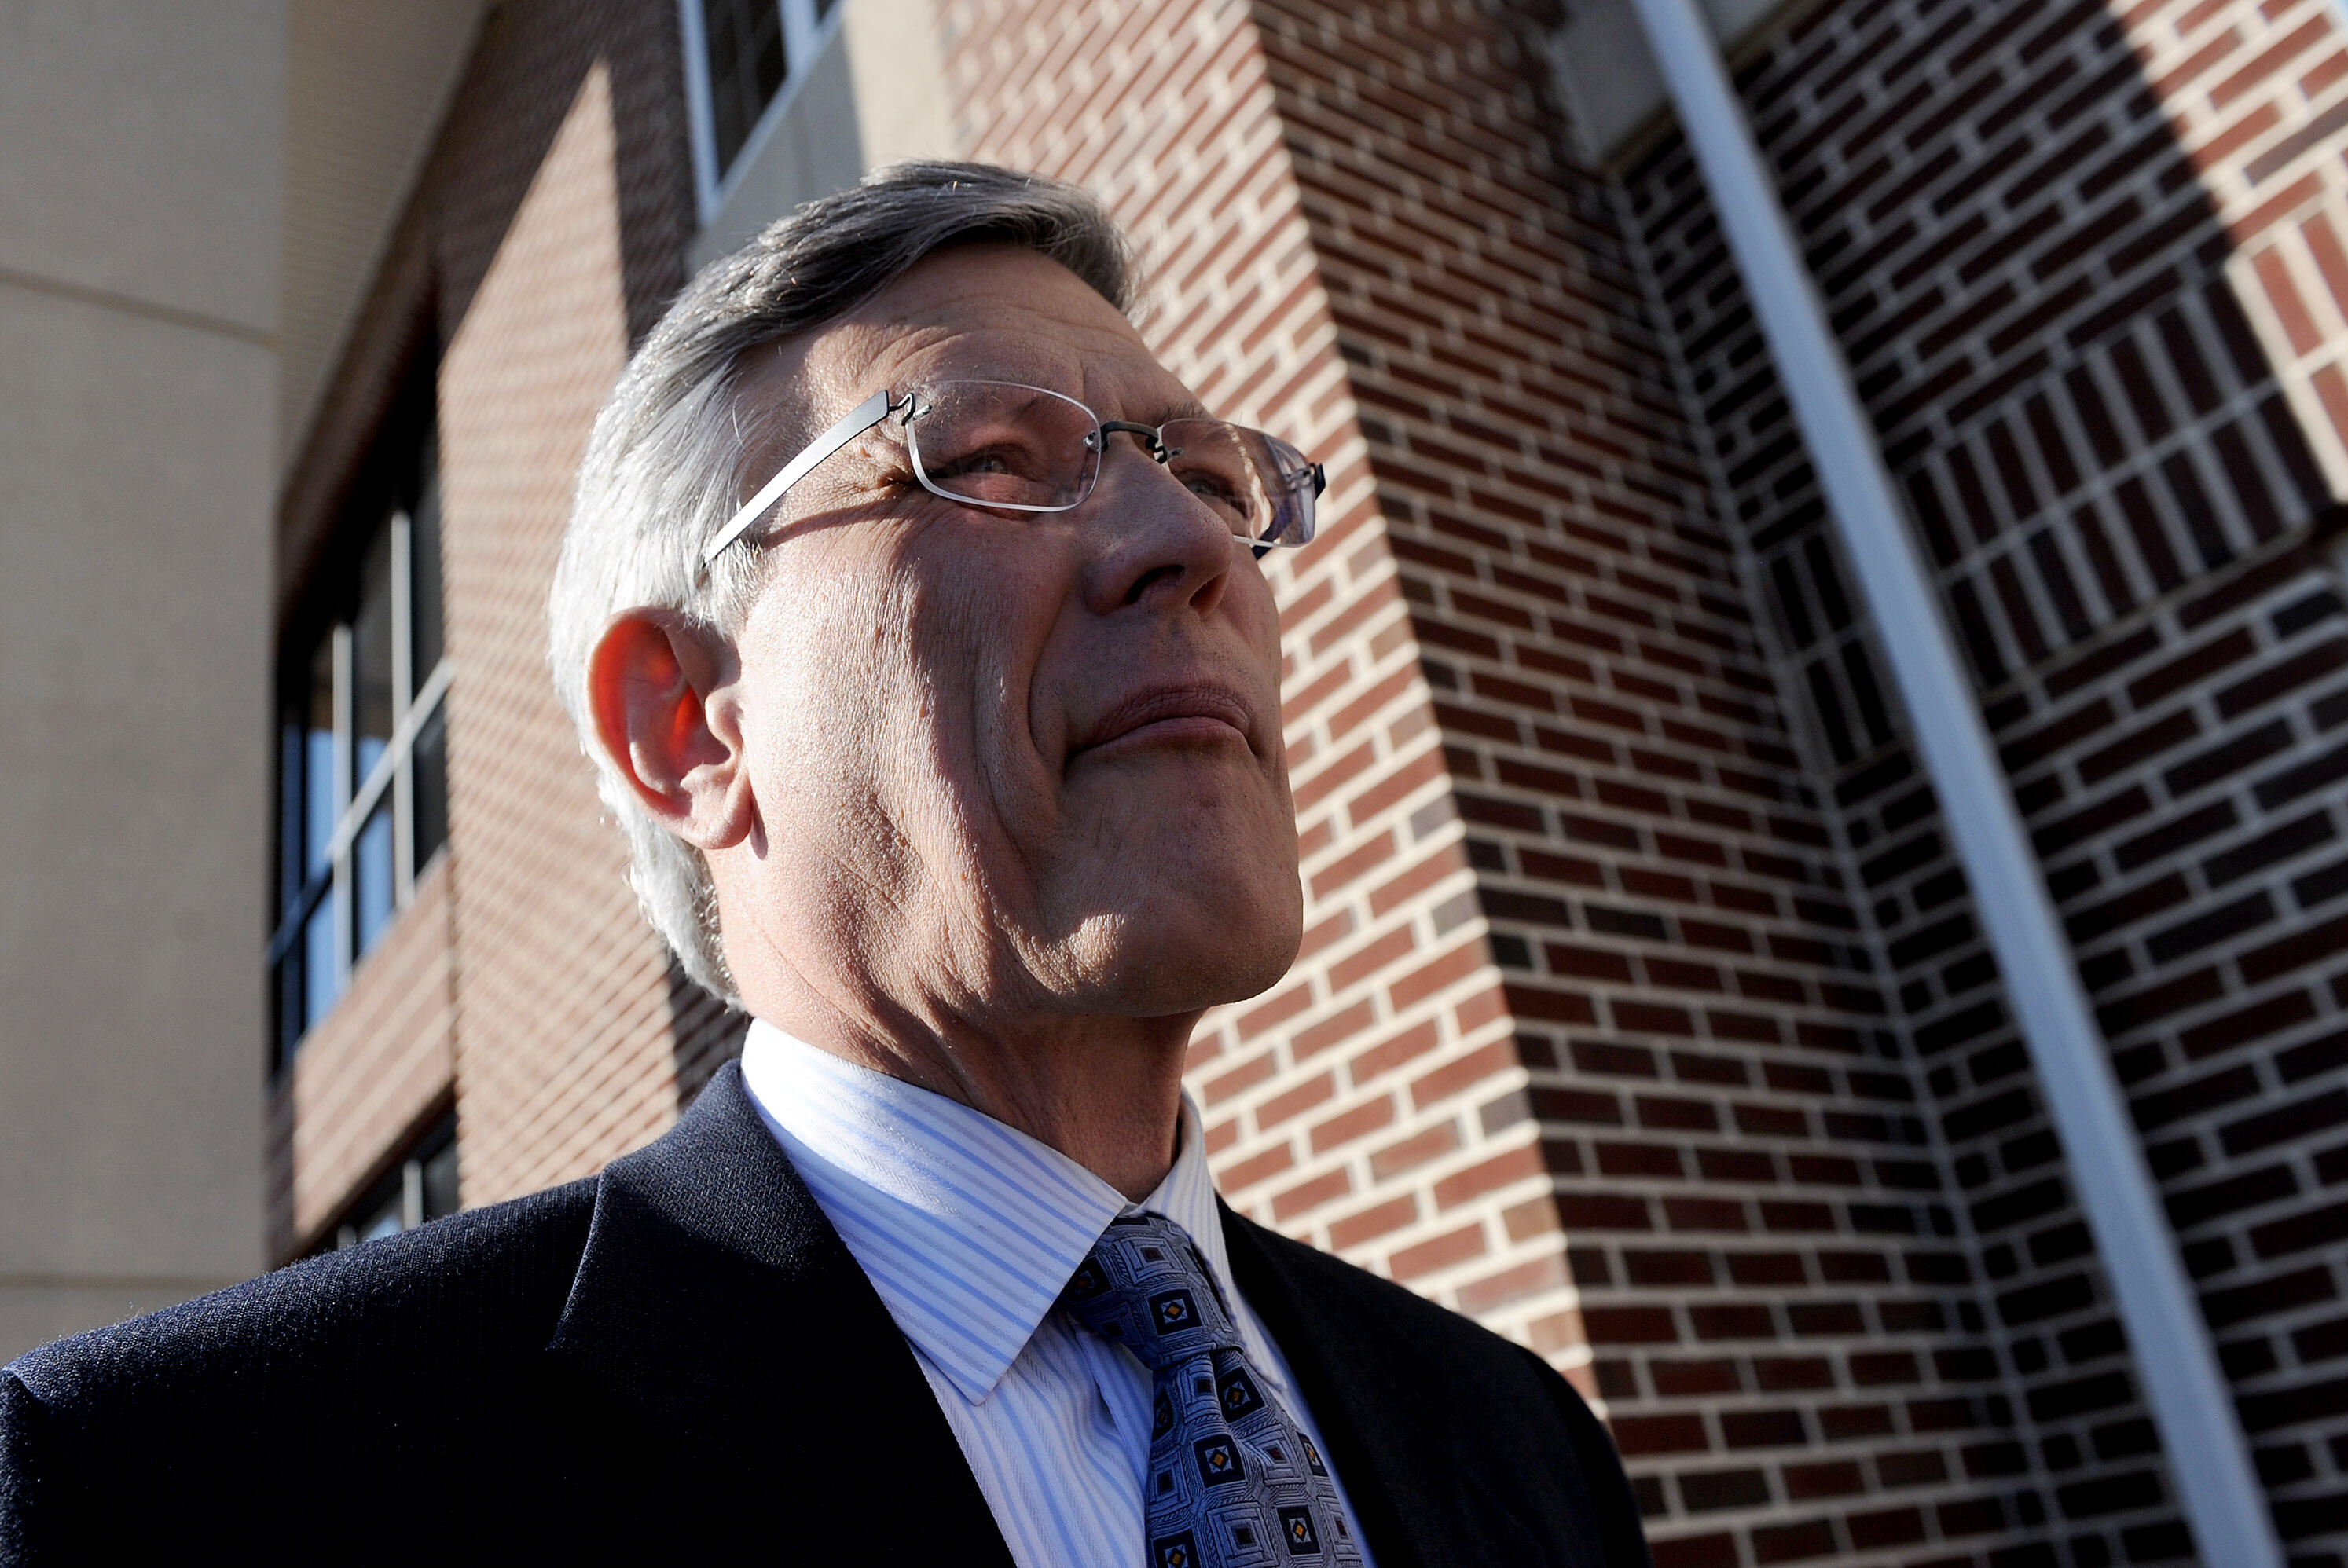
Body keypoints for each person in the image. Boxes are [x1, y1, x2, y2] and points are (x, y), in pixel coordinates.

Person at [0, 162, 1649, 1566]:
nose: (1192, 546)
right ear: (688, 727)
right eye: (998, 456)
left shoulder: (1522, 1441)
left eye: (1211, 474)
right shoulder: (179, 1493)